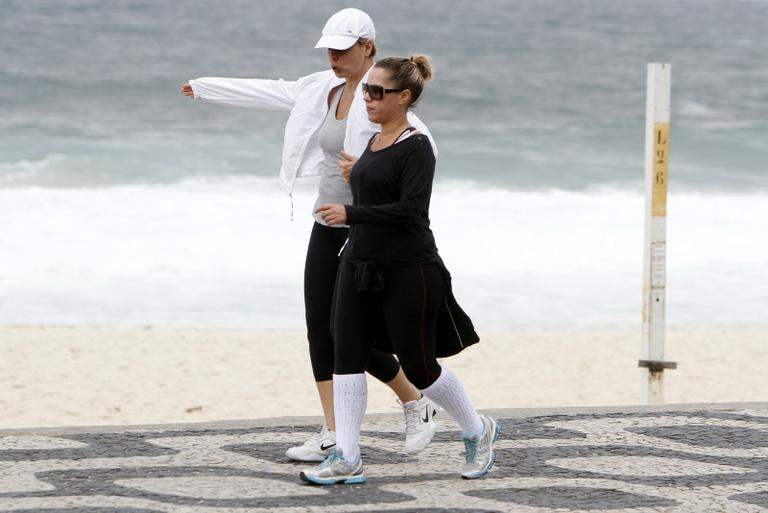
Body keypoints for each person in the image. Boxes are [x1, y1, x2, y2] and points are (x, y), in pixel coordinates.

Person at [180, 8, 440, 461]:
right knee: (320, 327)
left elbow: (417, 156)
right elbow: (274, 91)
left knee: (354, 334)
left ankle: (413, 400)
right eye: (330, 49)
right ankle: (336, 431)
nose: (334, 57)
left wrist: (366, 172)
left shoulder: (382, 101)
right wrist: (205, 88)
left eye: (343, 49)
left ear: (367, 48)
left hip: (366, 229)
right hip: (327, 223)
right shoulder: (323, 87)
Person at [303, 54, 500, 486]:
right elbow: (377, 187)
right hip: (359, 264)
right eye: (367, 90)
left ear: (404, 97)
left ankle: (476, 428)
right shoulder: (372, 142)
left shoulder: (417, 145)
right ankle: (347, 456)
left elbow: (411, 211)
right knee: (347, 355)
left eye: (377, 92)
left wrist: (351, 213)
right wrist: (358, 178)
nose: (368, 98)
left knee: (420, 368)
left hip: (409, 269)